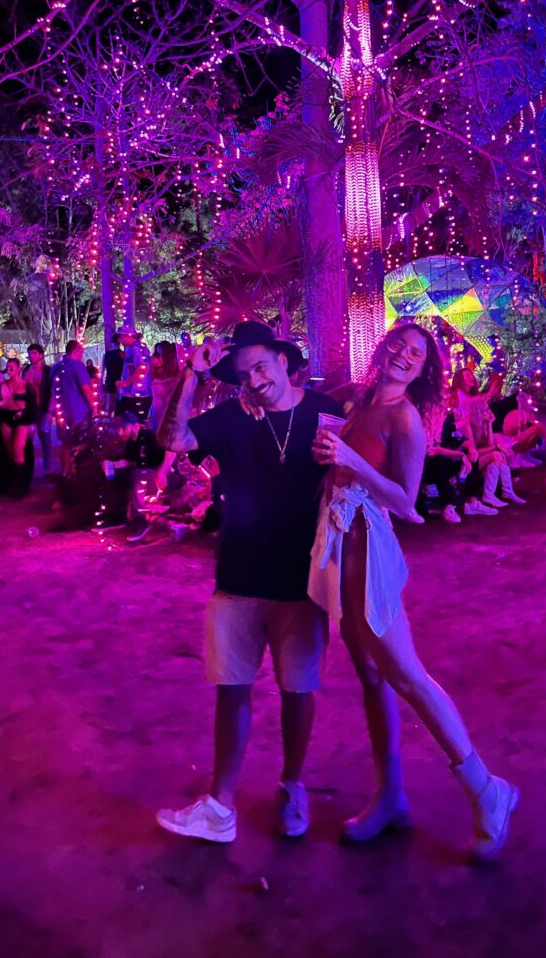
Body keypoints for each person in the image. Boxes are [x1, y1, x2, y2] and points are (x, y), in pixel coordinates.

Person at [309, 322, 518, 860]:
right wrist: (329, 461)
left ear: (425, 370)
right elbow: (341, 467)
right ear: (383, 350)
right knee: (372, 676)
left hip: (370, 550)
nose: (404, 355)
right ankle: (390, 796)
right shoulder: (359, 402)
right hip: (340, 544)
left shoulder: (404, 417)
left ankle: (487, 790)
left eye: (417, 354)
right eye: (399, 345)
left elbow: (405, 501)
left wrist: (352, 463)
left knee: (406, 674)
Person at [155, 322, 340, 844]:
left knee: (298, 691)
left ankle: (293, 784)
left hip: (303, 580)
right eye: (243, 375)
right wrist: (192, 372)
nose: (255, 381)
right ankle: (220, 806)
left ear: (284, 360)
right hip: (238, 577)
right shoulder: (233, 416)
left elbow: (353, 473)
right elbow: (171, 438)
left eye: (262, 366)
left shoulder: (325, 411)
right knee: (232, 691)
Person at [0, 357, 34, 496]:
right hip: (6, 417)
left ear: (18, 368)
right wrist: (0, 404)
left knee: (18, 448)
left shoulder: (26, 386)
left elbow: (32, 404)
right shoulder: (1, 386)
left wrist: (23, 412)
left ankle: (21, 487)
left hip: (22, 418)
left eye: (12, 366)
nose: (9, 369)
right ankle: (12, 483)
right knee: (9, 451)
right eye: (8, 366)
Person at [51, 340, 95, 470]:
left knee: (65, 443)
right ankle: (76, 472)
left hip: (61, 412)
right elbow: (86, 388)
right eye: (81, 351)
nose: (82, 354)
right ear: (75, 350)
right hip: (79, 411)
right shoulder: (77, 366)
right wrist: (95, 407)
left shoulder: (55, 367)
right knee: (80, 442)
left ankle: (65, 471)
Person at [24, 343, 53, 474]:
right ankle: (27, 469)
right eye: (30, 353)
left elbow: (53, 391)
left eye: (34, 353)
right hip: (29, 410)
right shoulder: (25, 371)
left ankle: (48, 469)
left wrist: (50, 411)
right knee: (26, 439)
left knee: (45, 438)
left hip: (43, 408)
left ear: (41, 355)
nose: (31, 356)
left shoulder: (47, 371)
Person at [115, 326, 154, 423]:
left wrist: (125, 383)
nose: (119, 340)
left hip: (135, 394)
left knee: (126, 422)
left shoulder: (135, 349)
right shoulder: (140, 348)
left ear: (128, 336)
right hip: (140, 394)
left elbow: (142, 368)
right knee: (135, 423)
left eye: (120, 337)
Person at [101, 334, 124, 416]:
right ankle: (117, 418)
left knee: (109, 401)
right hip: (119, 379)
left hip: (109, 379)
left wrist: (100, 382)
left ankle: (108, 419)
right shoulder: (122, 353)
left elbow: (102, 369)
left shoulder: (106, 354)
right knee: (120, 400)